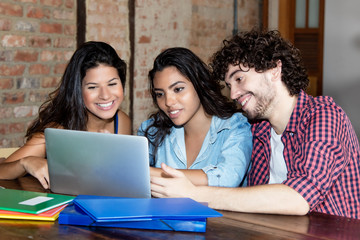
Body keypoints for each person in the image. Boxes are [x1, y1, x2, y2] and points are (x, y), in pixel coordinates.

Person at [150, 30, 360, 219]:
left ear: (275, 69)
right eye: (230, 85)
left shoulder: (323, 115)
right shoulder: (259, 131)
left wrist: (194, 194)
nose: (233, 94)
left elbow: (298, 198)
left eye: (239, 79)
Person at [0, 41, 131, 189]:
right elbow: (2, 170)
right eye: (93, 87)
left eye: (112, 84)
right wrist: (26, 162)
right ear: (77, 90)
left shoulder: (122, 121)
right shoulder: (58, 131)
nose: (105, 95)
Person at [138, 47, 252, 187]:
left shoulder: (234, 127)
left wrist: (143, 172)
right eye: (160, 94)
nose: (168, 102)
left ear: (200, 84)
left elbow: (227, 178)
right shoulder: (152, 131)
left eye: (178, 89)